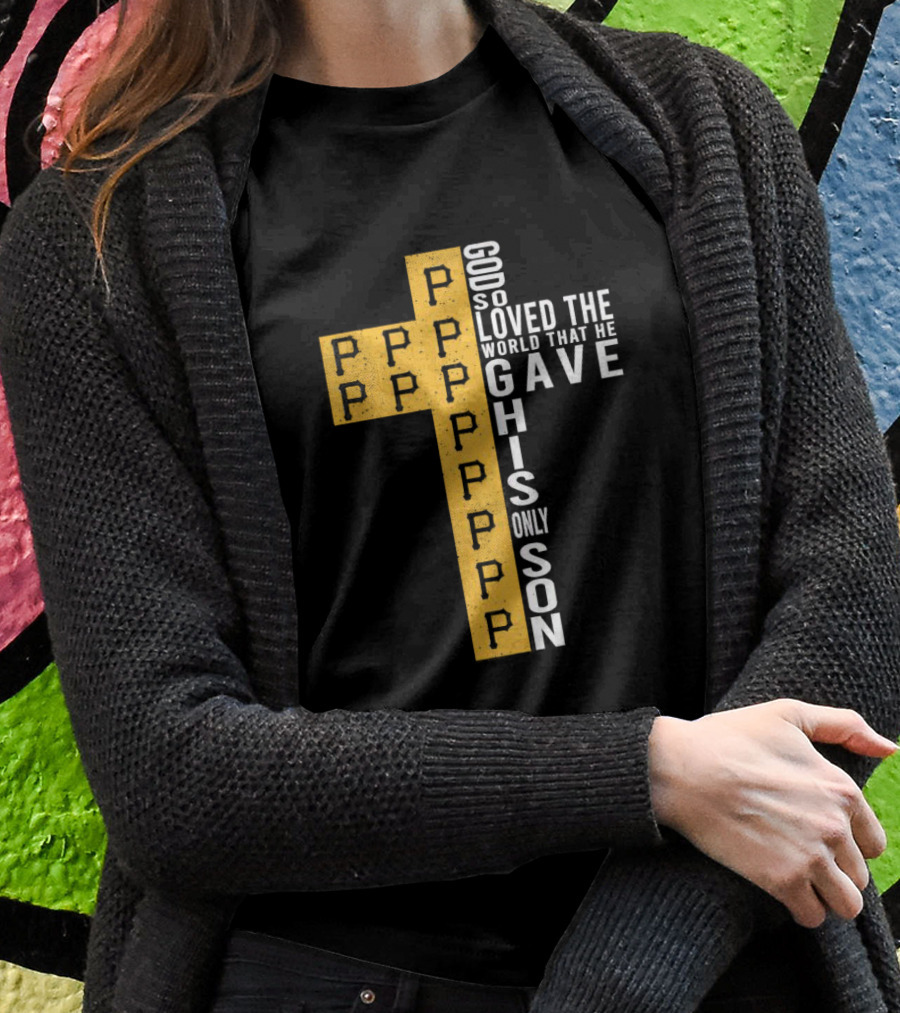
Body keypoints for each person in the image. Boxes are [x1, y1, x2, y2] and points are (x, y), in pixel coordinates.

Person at [0, 0, 899, 1010]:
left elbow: (852, 601)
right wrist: (647, 772)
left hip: (711, 968)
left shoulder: (703, 128)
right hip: (339, 981)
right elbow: (173, 773)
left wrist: (628, 971)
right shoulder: (101, 240)